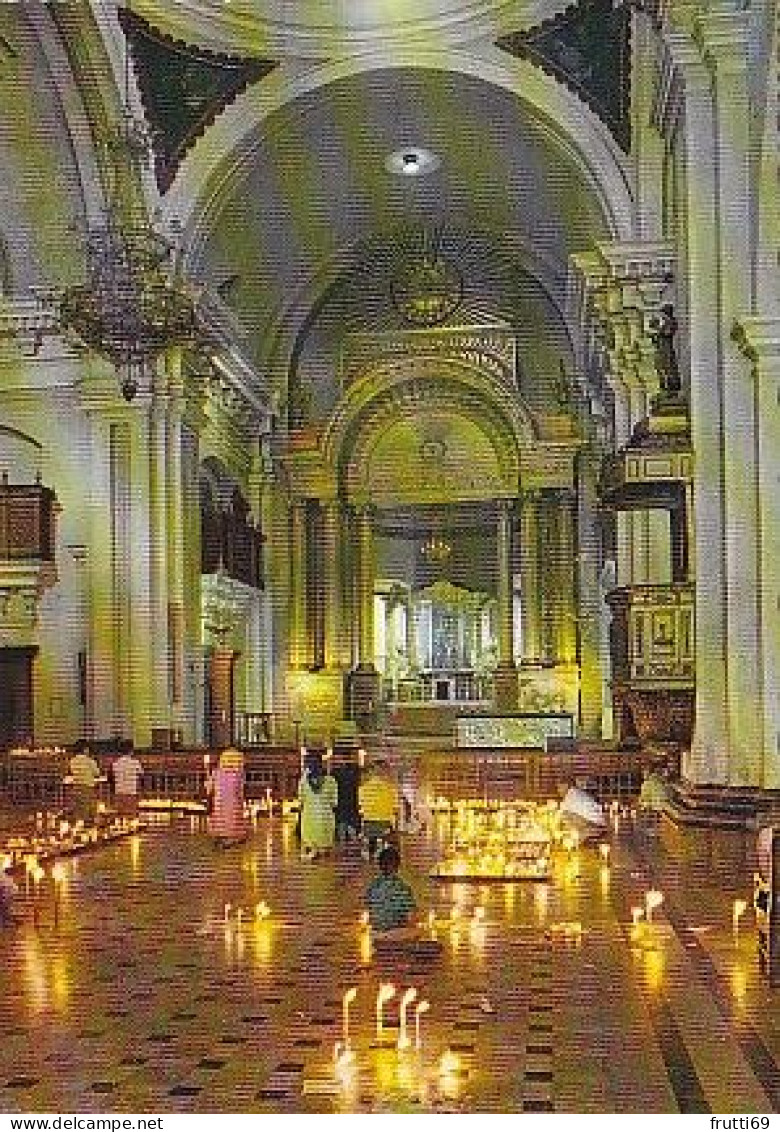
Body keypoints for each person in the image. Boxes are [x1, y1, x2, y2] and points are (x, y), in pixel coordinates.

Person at [365, 845, 418, 940]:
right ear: (397, 866)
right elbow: (410, 916)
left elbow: (370, 908)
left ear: (380, 866)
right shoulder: (402, 887)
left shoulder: (372, 886)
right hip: (396, 933)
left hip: (375, 934)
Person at [298, 751, 338, 860]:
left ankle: (312, 852)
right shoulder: (331, 781)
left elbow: (301, 801)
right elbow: (334, 803)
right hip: (326, 820)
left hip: (309, 819)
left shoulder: (303, 782)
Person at [359, 758, 399, 860]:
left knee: (368, 854)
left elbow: (361, 808)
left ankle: (369, 854)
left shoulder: (363, 788)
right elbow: (395, 810)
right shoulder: (391, 789)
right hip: (385, 824)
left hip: (368, 825)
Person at [207, 748, 248, 848]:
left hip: (219, 801)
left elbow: (210, 788)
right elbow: (239, 789)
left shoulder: (216, 772)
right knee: (233, 818)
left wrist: (209, 786)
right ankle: (232, 837)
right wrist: (242, 801)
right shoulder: (238, 774)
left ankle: (221, 835)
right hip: (233, 800)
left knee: (221, 817)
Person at [557, 777, 607, 843]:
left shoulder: (570, 796)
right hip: (599, 826)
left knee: (565, 816)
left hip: (593, 827)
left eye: (559, 787)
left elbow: (559, 817)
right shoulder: (577, 793)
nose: (558, 791)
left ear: (565, 786)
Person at [68, 741, 102, 824]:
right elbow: (97, 773)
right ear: (85, 749)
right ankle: (88, 830)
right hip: (87, 787)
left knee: (79, 810)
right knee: (89, 811)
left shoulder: (72, 761)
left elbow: (72, 772)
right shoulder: (90, 761)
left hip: (76, 787)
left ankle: (79, 830)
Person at [112, 741, 144, 818]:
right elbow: (141, 774)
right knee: (130, 817)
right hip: (131, 792)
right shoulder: (135, 763)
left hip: (119, 792)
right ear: (131, 751)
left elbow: (113, 777)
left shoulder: (116, 763)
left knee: (120, 817)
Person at [332, 757, 361, 843]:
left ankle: (343, 847)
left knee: (342, 833)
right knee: (352, 832)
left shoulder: (335, 773)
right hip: (351, 806)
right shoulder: (355, 772)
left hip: (341, 807)